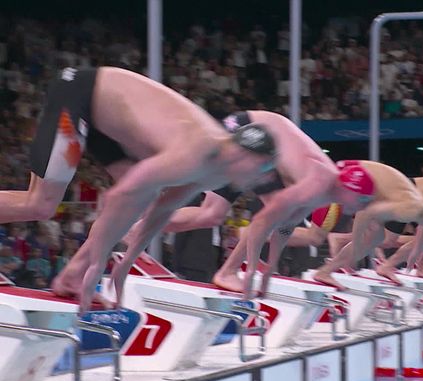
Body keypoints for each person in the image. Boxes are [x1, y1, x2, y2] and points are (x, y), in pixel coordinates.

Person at [0, 66, 277, 312]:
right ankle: (77, 272)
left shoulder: (218, 171)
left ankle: (72, 275)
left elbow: (162, 209)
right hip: (78, 95)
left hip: (103, 116)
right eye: (262, 170)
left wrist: (126, 263)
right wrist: (97, 265)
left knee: (146, 195)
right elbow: (119, 195)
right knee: (41, 204)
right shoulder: (198, 153)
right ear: (245, 158)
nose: (259, 181)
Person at [121, 111, 374, 298]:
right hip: (250, 135)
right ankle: (227, 271)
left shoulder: (326, 186)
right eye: (361, 201)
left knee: (211, 215)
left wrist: (269, 268)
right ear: (347, 191)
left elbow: (284, 228)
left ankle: (136, 229)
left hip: (255, 138)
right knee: (223, 212)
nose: (360, 209)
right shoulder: (317, 184)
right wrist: (255, 271)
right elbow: (263, 221)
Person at [313, 161, 423, 289]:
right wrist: (357, 240)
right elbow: (366, 212)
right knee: (316, 237)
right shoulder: (410, 209)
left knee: (374, 239)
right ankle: (325, 270)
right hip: (351, 179)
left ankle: (329, 269)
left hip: (367, 182)